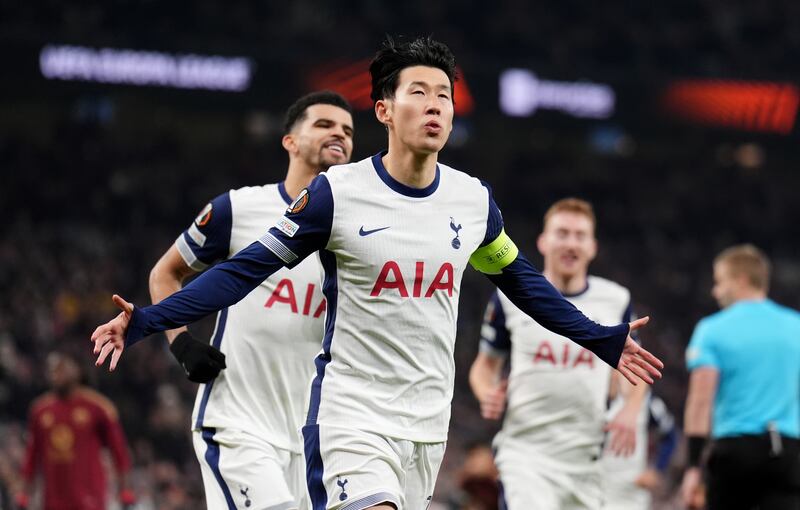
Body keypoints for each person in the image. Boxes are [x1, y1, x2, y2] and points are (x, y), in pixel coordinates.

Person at [91, 36, 663, 510]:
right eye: (420, 92)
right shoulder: (335, 195)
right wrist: (147, 322)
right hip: (349, 417)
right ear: (385, 110)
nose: (436, 104)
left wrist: (600, 338)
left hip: (426, 426)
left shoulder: (471, 202)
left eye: (445, 94)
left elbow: (522, 282)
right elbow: (242, 272)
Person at [148, 90, 354, 510]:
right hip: (239, 424)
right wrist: (181, 343)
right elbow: (165, 274)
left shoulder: (354, 233)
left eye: (348, 131)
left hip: (313, 437)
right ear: (290, 142)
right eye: (324, 124)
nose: (339, 134)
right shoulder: (238, 209)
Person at [469, 198, 649, 509]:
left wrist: (630, 411)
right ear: (543, 241)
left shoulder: (616, 300)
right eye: (562, 233)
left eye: (580, 235)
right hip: (527, 457)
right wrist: (486, 392)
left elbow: (635, 365)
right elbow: (484, 366)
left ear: (593, 246)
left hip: (587, 462)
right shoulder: (509, 297)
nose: (571, 243)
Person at [681, 244, 800, 510]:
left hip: (735, 453)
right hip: (788, 453)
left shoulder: (712, 329)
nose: (715, 291)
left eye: (719, 282)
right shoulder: (796, 326)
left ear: (741, 280)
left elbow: (700, 403)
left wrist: (692, 467)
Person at [16, 351, 135, 510]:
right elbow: (31, 456)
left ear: (77, 370)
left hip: (90, 497)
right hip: (52, 499)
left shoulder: (98, 408)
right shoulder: (40, 411)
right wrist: (24, 493)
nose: (56, 374)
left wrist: (125, 489)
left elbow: (119, 451)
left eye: (61, 368)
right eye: (53, 370)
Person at [601, 390, 678, 510]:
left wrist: (657, 469)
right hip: (599, 484)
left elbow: (670, 435)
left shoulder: (649, 402)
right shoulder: (599, 396)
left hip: (633, 488)